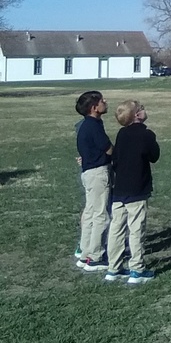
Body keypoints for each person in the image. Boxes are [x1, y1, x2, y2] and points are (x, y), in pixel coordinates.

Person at [104, 100, 160, 284]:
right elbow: (154, 156)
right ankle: (137, 269)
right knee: (136, 229)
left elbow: (116, 159)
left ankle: (114, 267)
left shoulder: (121, 134)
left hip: (119, 188)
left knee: (117, 228)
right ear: (137, 115)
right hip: (137, 188)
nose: (144, 110)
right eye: (142, 108)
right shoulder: (146, 134)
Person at [74, 90, 112, 271]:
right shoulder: (94, 126)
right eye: (102, 100)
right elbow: (108, 148)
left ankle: (85, 253)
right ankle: (95, 256)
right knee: (100, 215)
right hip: (98, 173)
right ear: (94, 108)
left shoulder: (85, 125)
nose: (106, 102)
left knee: (90, 213)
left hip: (88, 173)